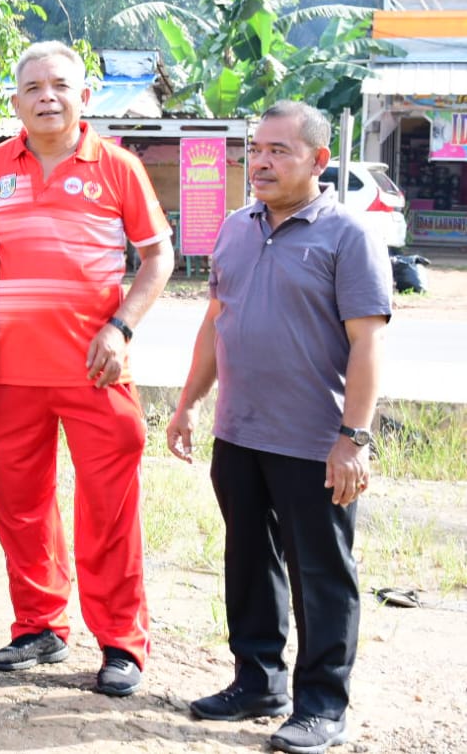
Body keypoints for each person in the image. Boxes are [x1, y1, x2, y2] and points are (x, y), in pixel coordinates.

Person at [167, 101, 389, 754]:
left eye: (278, 151)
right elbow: (215, 322)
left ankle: (321, 706)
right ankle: (257, 680)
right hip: (238, 433)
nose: (259, 162)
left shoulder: (346, 236)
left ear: (318, 161)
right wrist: (186, 405)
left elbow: (367, 345)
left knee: (320, 575)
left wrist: (353, 439)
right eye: (253, 150)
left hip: (312, 442)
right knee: (248, 563)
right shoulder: (235, 228)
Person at [0, 40, 174, 696]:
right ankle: (39, 626)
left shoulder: (115, 167)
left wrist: (121, 327)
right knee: (20, 508)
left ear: (85, 97)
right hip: (8, 373)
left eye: (59, 85)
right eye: (32, 87)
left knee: (107, 510)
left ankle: (121, 644)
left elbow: (156, 257)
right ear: (15, 102)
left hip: (95, 370)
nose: (46, 97)